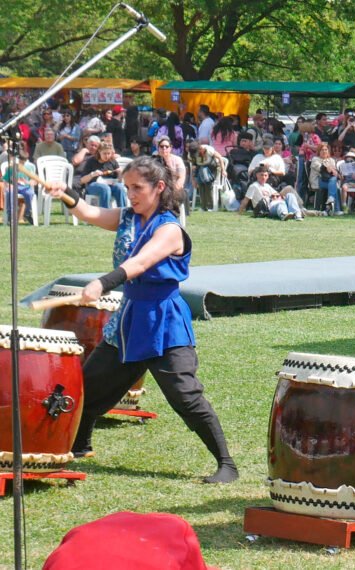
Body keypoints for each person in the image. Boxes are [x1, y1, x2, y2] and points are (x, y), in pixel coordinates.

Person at [49, 156, 238, 484]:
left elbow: (140, 262)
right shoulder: (127, 218)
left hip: (163, 322)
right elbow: (89, 213)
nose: (131, 195)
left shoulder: (169, 229)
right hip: (129, 320)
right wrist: (65, 192)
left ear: (159, 187)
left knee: (185, 396)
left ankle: (226, 464)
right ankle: (80, 444)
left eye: (138, 188)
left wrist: (102, 283)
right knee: (89, 384)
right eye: (127, 187)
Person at [81, 142, 127, 209]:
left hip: (110, 185)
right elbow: (82, 180)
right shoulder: (91, 161)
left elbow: (119, 181)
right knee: (105, 188)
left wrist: (120, 174)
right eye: (104, 153)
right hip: (94, 185)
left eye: (109, 153)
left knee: (120, 187)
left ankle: (123, 212)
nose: (107, 156)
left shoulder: (112, 161)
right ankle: (106, 213)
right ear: (99, 151)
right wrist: (92, 175)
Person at [187, 140, 223, 211]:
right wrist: (193, 180)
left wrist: (224, 170)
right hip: (201, 173)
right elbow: (193, 168)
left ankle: (207, 206)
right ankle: (206, 206)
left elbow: (220, 157)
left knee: (204, 173)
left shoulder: (207, 149)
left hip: (212, 170)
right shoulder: (191, 155)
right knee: (202, 181)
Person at [309, 142, 341, 215]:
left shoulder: (331, 160)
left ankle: (329, 204)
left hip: (328, 181)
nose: (324, 151)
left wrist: (332, 170)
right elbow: (321, 169)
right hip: (318, 181)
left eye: (326, 150)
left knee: (333, 181)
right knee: (334, 183)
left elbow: (335, 173)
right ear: (319, 151)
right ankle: (336, 209)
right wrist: (330, 169)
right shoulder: (315, 159)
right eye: (322, 150)